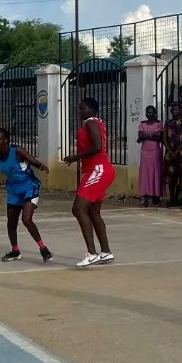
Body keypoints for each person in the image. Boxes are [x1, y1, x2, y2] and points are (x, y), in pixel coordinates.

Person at [0, 128, 52, 262]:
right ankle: (15, 251)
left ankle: (43, 248)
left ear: (5, 140)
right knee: (11, 223)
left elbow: (33, 161)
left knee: (26, 219)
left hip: (29, 187)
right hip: (13, 190)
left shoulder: (17, 151)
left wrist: (42, 166)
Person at [64, 96, 116, 268]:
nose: (80, 111)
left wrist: (75, 157)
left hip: (98, 169)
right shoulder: (94, 123)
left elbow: (97, 147)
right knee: (93, 212)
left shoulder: (90, 123)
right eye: (79, 108)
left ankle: (92, 253)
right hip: (98, 169)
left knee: (78, 209)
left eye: (83, 108)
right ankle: (106, 252)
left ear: (93, 110)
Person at [163, 103, 182, 208]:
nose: (174, 111)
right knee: (170, 176)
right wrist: (170, 151)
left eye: (176, 109)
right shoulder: (168, 122)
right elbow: (164, 138)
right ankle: (172, 199)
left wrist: (177, 150)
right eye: (172, 109)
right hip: (170, 152)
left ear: (180, 110)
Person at [137, 105, 164, 207]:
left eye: (151, 112)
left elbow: (160, 138)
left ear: (155, 113)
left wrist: (146, 136)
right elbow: (140, 137)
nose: (150, 114)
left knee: (155, 173)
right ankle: (145, 197)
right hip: (145, 152)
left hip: (155, 152)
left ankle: (156, 198)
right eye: (148, 112)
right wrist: (153, 135)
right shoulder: (142, 123)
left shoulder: (159, 123)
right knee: (145, 174)